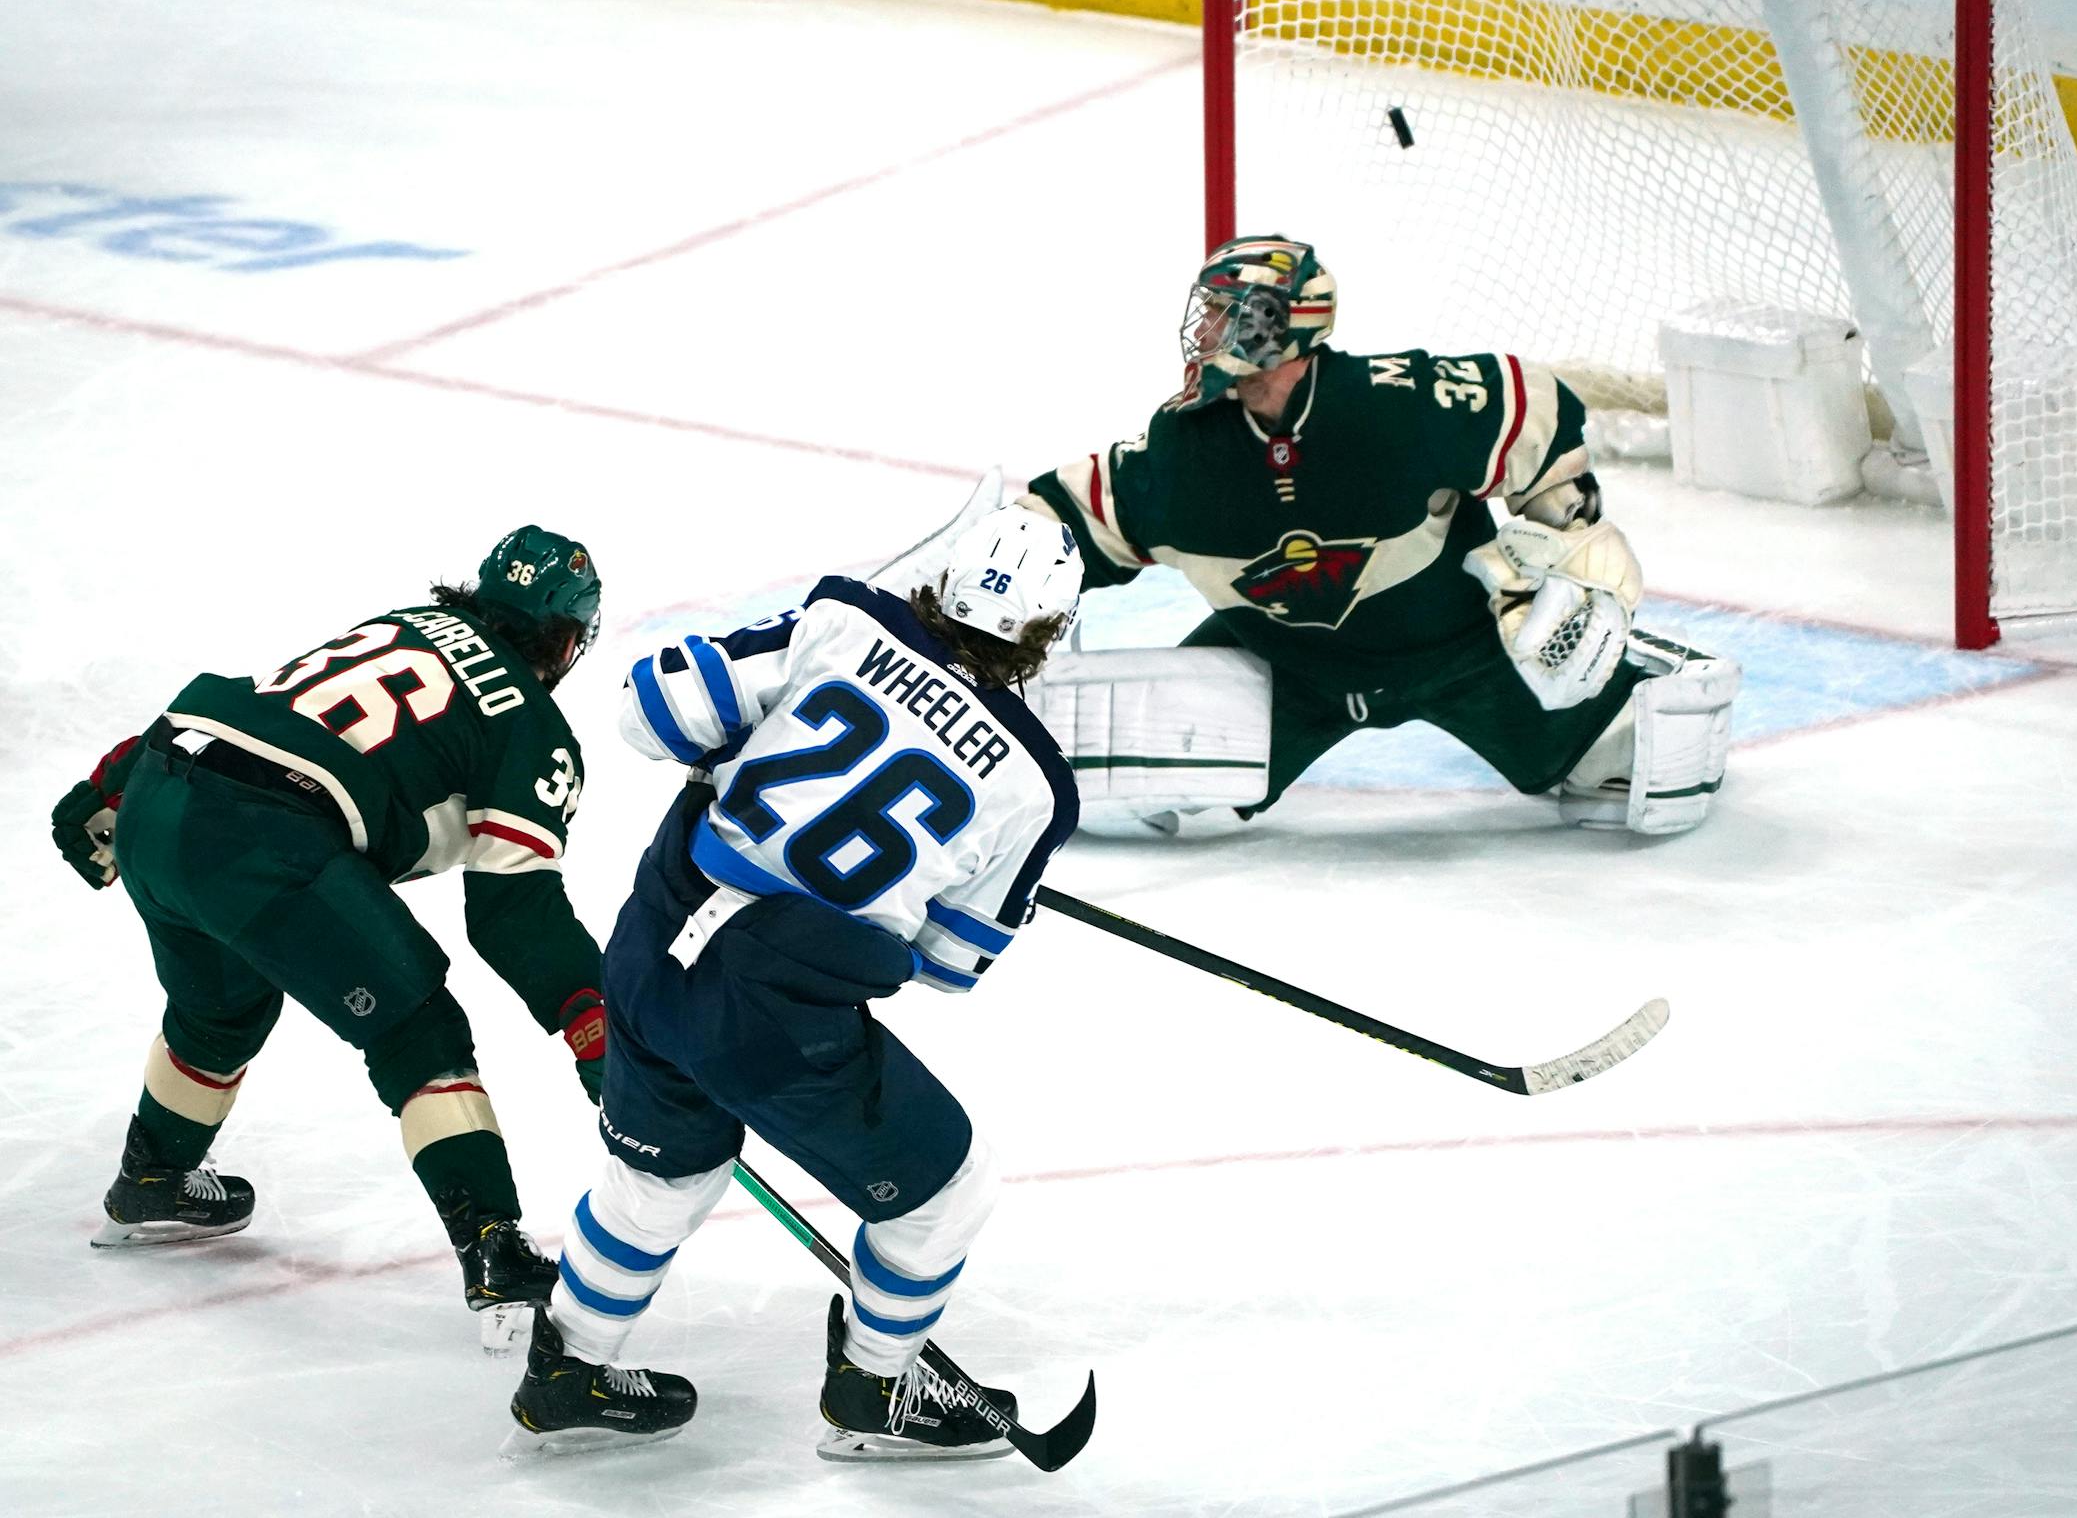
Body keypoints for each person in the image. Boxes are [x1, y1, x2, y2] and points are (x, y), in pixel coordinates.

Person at [504, 505, 1082, 1461]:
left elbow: (648, 709)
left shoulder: (843, 620)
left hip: (650, 948)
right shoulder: (1035, 785)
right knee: (946, 1192)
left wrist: (736, 752)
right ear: (1047, 631)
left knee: (660, 1172)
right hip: (773, 1017)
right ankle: (874, 1386)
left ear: (943, 580)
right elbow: (952, 964)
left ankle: (567, 1367)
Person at [50, 526, 611, 1330]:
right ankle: (492, 1245)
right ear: (563, 638)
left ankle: (153, 1174)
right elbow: (514, 916)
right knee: (419, 1030)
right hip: (261, 835)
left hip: (160, 783)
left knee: (222, 1006)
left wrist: (118, 777)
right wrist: (596, 1020)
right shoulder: (532, 727)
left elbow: (274, 710)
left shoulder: (406, 622)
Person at [1018, 233, 1739, 837]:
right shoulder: (1184, 449)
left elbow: (1534, 410)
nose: (1204, 331)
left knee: (1649, 770)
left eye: (1225, 313)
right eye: (1206, 311)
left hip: (1463, 651)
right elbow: (1063, 521)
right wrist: (996, 587)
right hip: (1282, 663)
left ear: (1277, 324)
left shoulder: (1398, 405)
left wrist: (1579, 551)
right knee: (1112, 797)